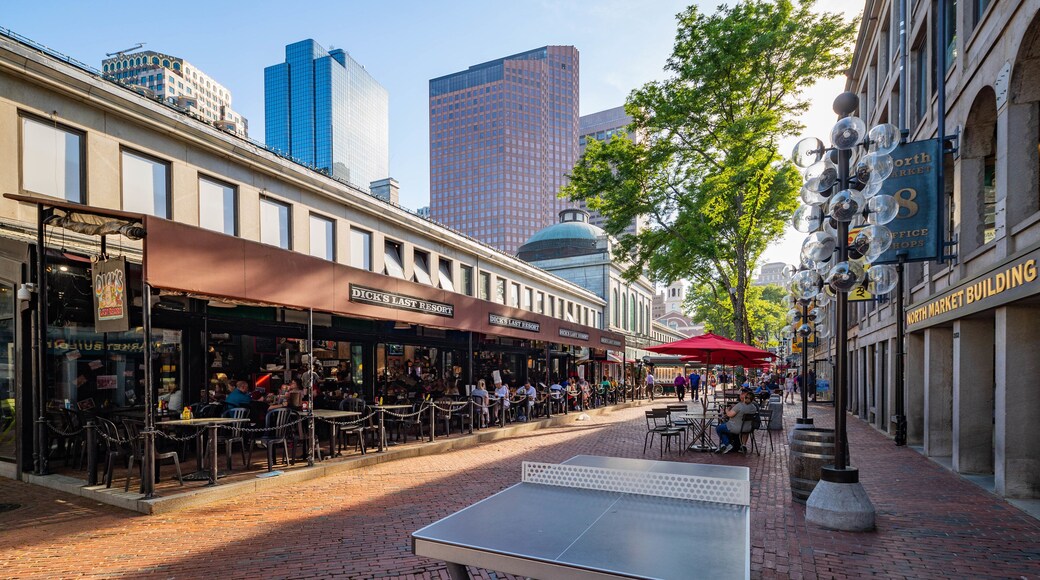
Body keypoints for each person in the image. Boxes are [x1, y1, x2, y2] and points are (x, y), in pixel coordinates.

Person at [715, 390, 758, 454]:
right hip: (747, 428)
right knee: (724, 424)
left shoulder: (739, 406)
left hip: (736, 427)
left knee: (719, 428)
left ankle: (727, 444)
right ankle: (740, 445)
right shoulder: (754, 407)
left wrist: (726, 410)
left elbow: (729, 414)